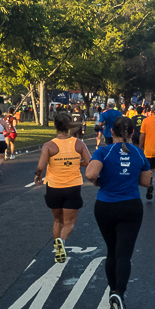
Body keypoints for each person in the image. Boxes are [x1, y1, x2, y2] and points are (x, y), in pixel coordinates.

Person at [86, 115, 150, 309]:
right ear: (132, 133)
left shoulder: (103, 151)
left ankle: (112, 289)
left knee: (111, 250)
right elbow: (145, 182)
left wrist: (101, 182)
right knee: (124, 253)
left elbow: (90, 175)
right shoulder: (139, 154)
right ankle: (119, 293)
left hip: (105, 206)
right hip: (130, 206)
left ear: (111, 132)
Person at [34, 111, 91, 263]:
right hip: (72, 187)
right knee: (70, 223)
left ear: (55, 126)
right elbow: (89, 162)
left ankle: (57, 246)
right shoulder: (79, 144)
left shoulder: (49, 145)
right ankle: (62, 241)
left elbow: (40, 166)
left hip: (53, 187)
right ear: (69, 126)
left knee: (57, 220)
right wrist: (76, 162)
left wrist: (38, 175)